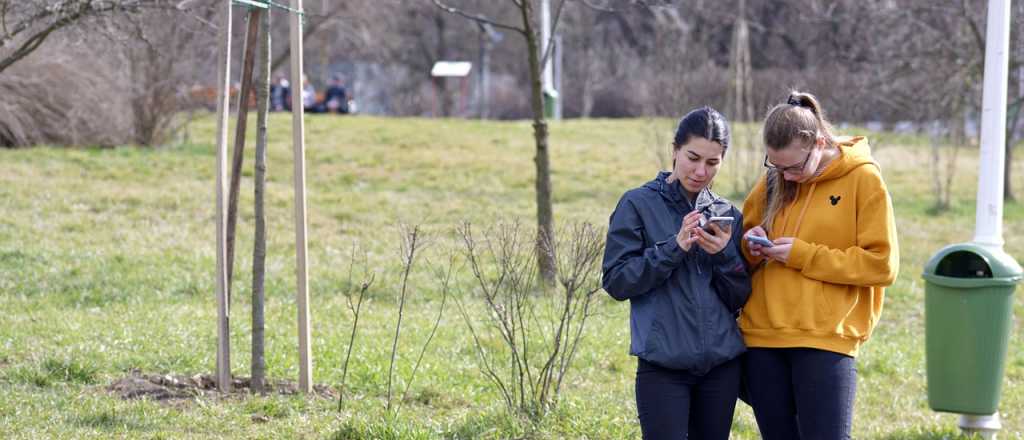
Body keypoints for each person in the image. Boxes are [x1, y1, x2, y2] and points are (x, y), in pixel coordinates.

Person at [739, 91, 899, 439]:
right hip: (762, 338)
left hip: (827, 339)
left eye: (794, 167)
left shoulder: (863, 178)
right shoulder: (775, 179)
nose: (786, 176)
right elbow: (742, 252)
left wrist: (803, 255)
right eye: (775, 166)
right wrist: (751, 246)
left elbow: (882, 265)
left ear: (820, 143)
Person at [602, 106, 752, 440]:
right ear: (675, 150)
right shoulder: (637, 204)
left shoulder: (728, 214)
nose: (700, 171)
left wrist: (724, 256)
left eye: (712, 162)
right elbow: (616, 281)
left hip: (722, 369)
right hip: (663, 368)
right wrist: (674, 248)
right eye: (692, 158)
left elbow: (740, 297)